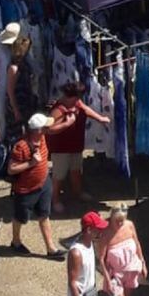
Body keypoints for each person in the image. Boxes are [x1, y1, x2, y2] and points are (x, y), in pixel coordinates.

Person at [47, 79, 110, 214]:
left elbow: (86, 109)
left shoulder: (77, 103)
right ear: (73, 95)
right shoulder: (58, 109)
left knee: (76, 171)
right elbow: (50, 129)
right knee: (59, 176)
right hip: (61, 149)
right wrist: (66, 124)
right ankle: (55, 200)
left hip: (75, 145)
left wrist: (100, 118)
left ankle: (78, 192)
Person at [7, 113, 61, 258]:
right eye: (45, 127)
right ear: (38, 130)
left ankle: (51, 249)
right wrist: (31, 163)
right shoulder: (21, 147)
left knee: (44, 215)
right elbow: (11, 169)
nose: (47, 128)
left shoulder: (42, 138)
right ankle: (16, 241)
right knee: (20, 218)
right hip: (25, 191)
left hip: (43, 184)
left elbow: (55, 127)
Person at [67, 211, 108, 296]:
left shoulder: (90, 243)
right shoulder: (76, 253)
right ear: (89, 230)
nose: (101, 232)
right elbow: (73, 282)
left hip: (88, 294)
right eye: (98, 229)